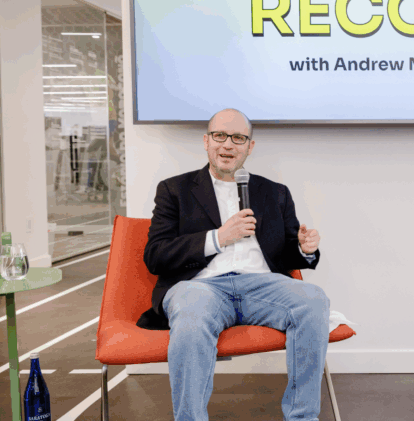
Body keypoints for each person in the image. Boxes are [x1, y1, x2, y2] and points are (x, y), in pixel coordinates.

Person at [137, 108, 329, 421]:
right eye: (220, 136)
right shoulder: (175, 190)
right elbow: (155, 256)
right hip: (200, 287)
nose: (228, 145)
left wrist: (304, 249)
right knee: (193, 310)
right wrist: (218, 238)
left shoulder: (275, 193)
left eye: (238, 138)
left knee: (314, 299)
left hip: (262, 287)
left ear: (249, 146)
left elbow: (288, 254)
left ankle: (302, 417)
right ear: (206, 141)